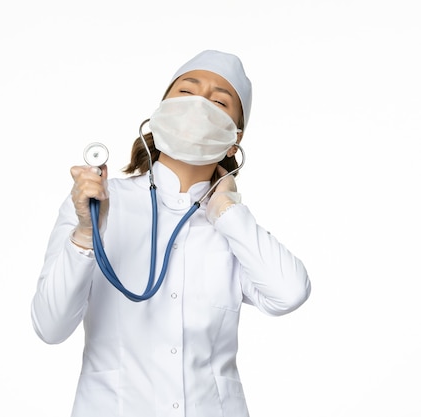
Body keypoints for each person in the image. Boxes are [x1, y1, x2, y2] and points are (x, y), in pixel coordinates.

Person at [31, 50, 311, 417]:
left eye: (219, 101)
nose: (199, 105)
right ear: (160, 114)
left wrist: (228, 211)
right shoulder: (98, 202)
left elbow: (289, 293)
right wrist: (86, 233)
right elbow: (50, 326)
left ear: (233, 139)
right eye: (186, 92)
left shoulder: (232, 228)